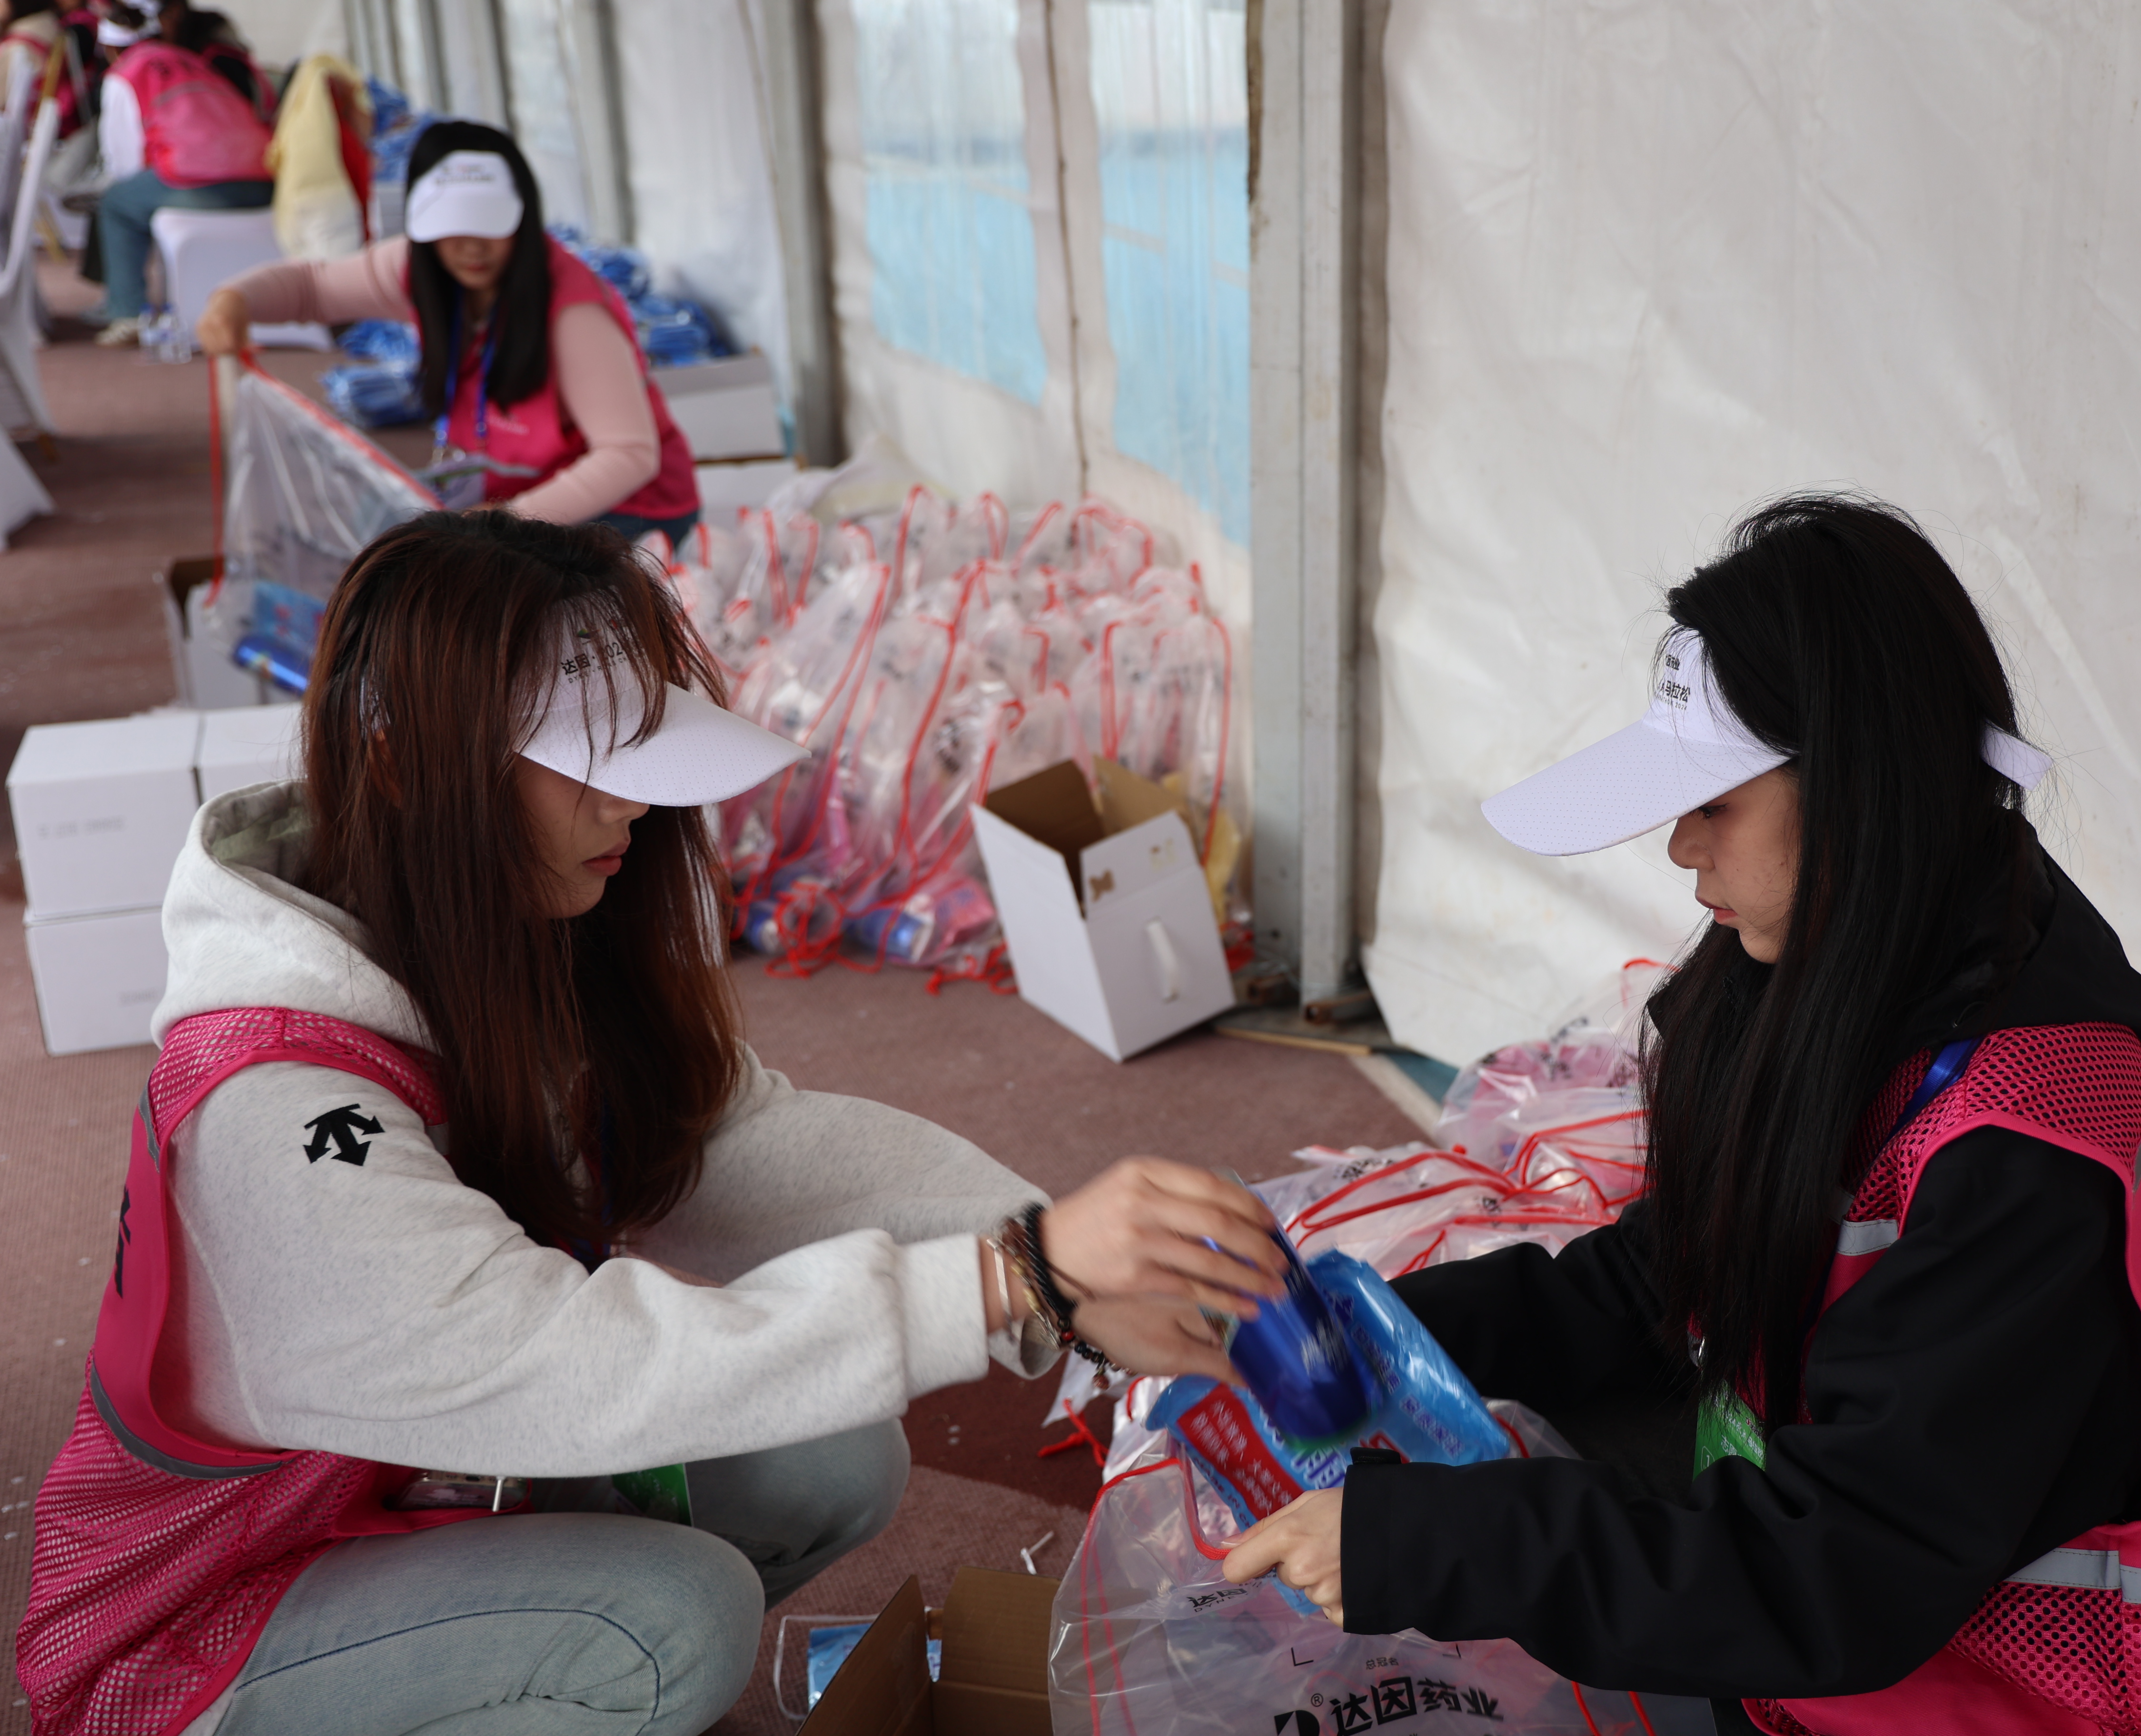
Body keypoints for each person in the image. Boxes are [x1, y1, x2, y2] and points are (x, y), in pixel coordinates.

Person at [15, 512, 1280, 1736]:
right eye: (589, 766)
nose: (632, 810)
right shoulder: (276, 1112)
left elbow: (736, 1148)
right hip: (203, 1627)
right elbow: (558, 1364)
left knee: (830, 1452)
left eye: (642, 761)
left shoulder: (481, 942)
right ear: (404, 765)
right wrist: (1006, 1283)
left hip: (403, 1487)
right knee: (667, 1627)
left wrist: (1049, 1258)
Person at [1222, 495, 2141, 1734]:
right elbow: (1673, 1277)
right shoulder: (1817, 978)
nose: (1680, 848)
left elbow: (1844, 1563)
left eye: (1716, 802)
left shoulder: (2026, 1154)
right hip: (1910, 1623)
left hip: (2118, 1701)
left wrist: (1422, 1544)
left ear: (1862, 791)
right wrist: (1389, 1340)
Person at [200, 121, 706, 543]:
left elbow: (628, 455)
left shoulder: (574, 314)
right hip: (513, 494)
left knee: (455, 587)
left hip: (628, 512)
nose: (472, 247)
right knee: (374, 529)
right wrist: (234, 300)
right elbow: (312, 287)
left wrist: (504, 521)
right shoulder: (419, 271)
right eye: (451, 227)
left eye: (490, 224)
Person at [87, 0, 270, 347]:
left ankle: (127, 313)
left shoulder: (125, 74)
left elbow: (124, 161)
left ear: (110, 49)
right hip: (263, 178)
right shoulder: (194, 61)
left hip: (204, 184)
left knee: (116, 203)